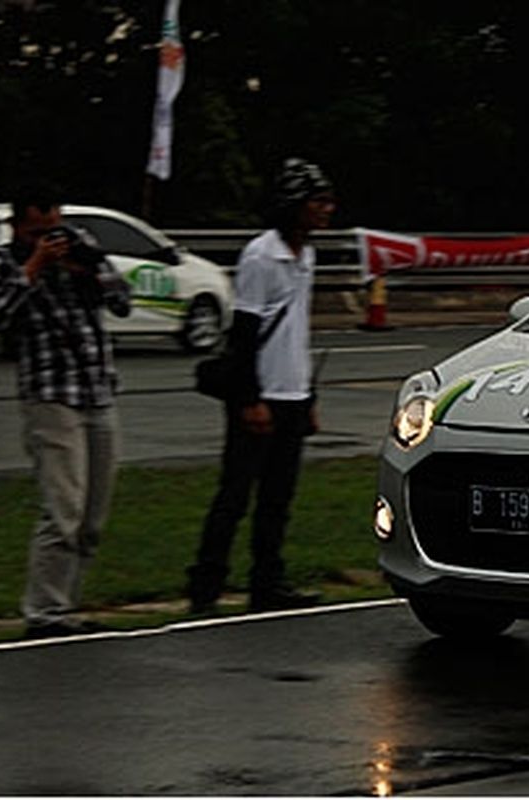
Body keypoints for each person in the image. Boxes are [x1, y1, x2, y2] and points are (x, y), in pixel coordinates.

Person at [0, 193, 132, 638]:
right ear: (16, 225)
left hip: (98, 391)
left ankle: (68, 606)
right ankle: (44, 613)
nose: (49, 238)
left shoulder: (79, 247)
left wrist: (89, 268)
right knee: (63, 508)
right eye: (36, 232)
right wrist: (35, 266)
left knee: (93, 516)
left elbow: (123, 301)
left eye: (53, 228)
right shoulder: (1, 262)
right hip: (50, 395)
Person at [185, 158, 336, 614]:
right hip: (259, 397)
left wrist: (307, 395)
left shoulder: (305, 255)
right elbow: (246, 333)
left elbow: (297, 332)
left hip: (290, 395)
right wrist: (250, 399)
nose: (327, 210)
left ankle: (267, 581)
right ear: (294, 206)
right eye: (318, 202)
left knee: (277, 499)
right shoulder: (260, 256)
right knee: (235, 495)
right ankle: (206, 585)